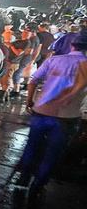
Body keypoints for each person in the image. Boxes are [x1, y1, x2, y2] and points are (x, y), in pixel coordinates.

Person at [14, 33, 87, 197]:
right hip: (67, 118)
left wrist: (30, 101)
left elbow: (33, 81)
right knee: (53, 153)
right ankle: (38, 186)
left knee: (32, 147)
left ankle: (22, 180)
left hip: (42, 112)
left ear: (72, 45)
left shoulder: (54, 60)